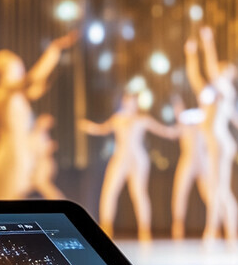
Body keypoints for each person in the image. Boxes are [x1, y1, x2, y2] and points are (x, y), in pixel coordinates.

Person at [0, 31, 78, 200]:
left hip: (22, 147)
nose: (21, 70)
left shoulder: (15, 93)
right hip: (14, 150)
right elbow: (34, 78)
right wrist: (54, 49)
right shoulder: (4, 91)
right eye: (18, 66)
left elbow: (36, 84)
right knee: (10, 192)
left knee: (18, 192)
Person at [78, 91, 177, 241]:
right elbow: (101, 128)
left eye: (130, 101)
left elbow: (164, 131)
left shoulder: (142, 119)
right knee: (109, 191)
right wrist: (88, 126)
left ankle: (145, 231)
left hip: (137, 159)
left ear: (136, 103)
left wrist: (178, 129)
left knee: (138, 193)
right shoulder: (118, 119)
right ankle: (106, 227)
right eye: (125, 100)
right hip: (120, 158)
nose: (127, 103)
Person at [184, 27, 238, 244]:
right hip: (216, 144)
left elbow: (210, 68)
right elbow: (196, 77)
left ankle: (224, 233)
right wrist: (191, 54)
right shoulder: (217, 93)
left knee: (220, 190)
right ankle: (216, 232)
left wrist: (208, 41)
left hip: (220, 144)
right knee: (216, 189)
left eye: (224, 69)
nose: (219, 70)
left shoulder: (226, 87)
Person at [166, 94, 210, 240]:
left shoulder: (201, 118)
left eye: (177, 106)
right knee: (180, 193)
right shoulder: (183, 123)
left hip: (203, 160)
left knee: (209, 194)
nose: (176, 110)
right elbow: (172, 132)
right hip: (187, 160)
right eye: (174, 107)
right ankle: (178, 225)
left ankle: (215, 225)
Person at [29, 113, 64, 200]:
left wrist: (49, 147)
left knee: (43, 185)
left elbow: (42, 150)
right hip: (39, 165)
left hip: (44, 165)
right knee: (40, 185)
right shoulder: (37, 134)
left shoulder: (43, 135)